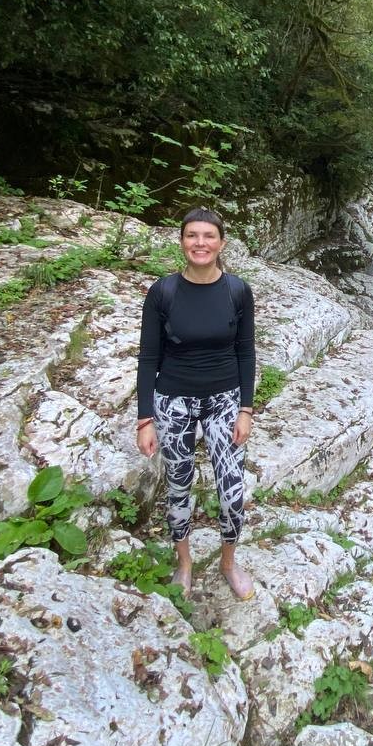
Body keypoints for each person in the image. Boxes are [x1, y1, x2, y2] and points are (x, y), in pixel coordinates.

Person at [136, 207, 256, 601]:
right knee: (178, 484)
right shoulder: (163, 292)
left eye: (208, 236)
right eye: (192, 235)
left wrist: (245, 409)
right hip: (173, 399)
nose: (200, 243)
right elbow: (148, 358)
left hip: (224, 398)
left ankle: (228, 562)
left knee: (231, 488)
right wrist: (145, 420)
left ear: (221, 243)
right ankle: (184, 562)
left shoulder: (237, 290)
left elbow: (245, 352)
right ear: (182, 241)